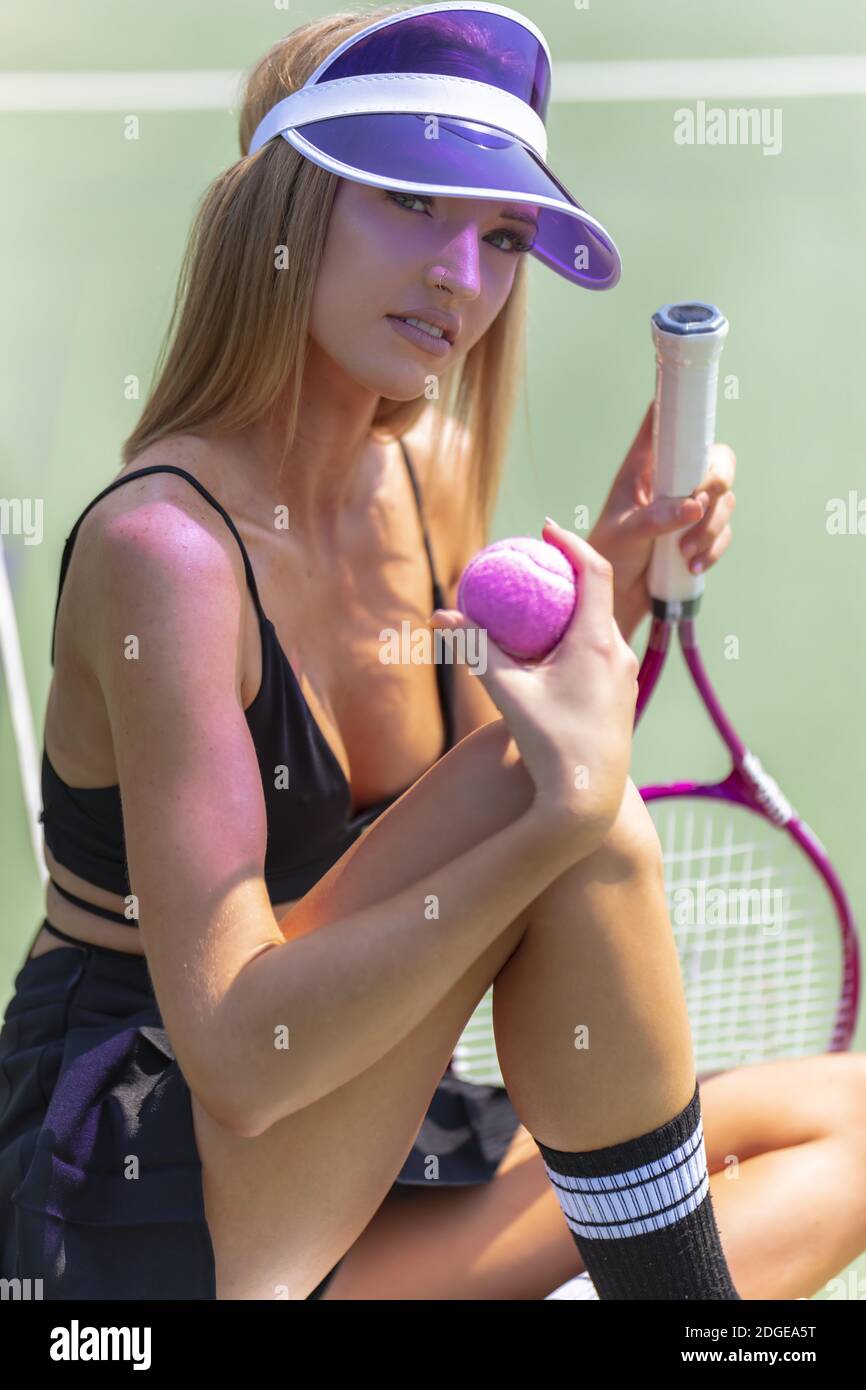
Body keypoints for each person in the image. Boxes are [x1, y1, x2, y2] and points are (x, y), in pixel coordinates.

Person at [2, 2, 865, 1302]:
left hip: (352, 1107)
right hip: (165, 1155)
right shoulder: (165, 554)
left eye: (503, 234)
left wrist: (614, 581)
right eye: (412, 202)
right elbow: (239, 1050)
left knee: (850, 1121)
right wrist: (553, 821)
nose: (464, 273)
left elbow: (452, 799)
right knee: (582, 824)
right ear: (283, 215)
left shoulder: (423, 468)